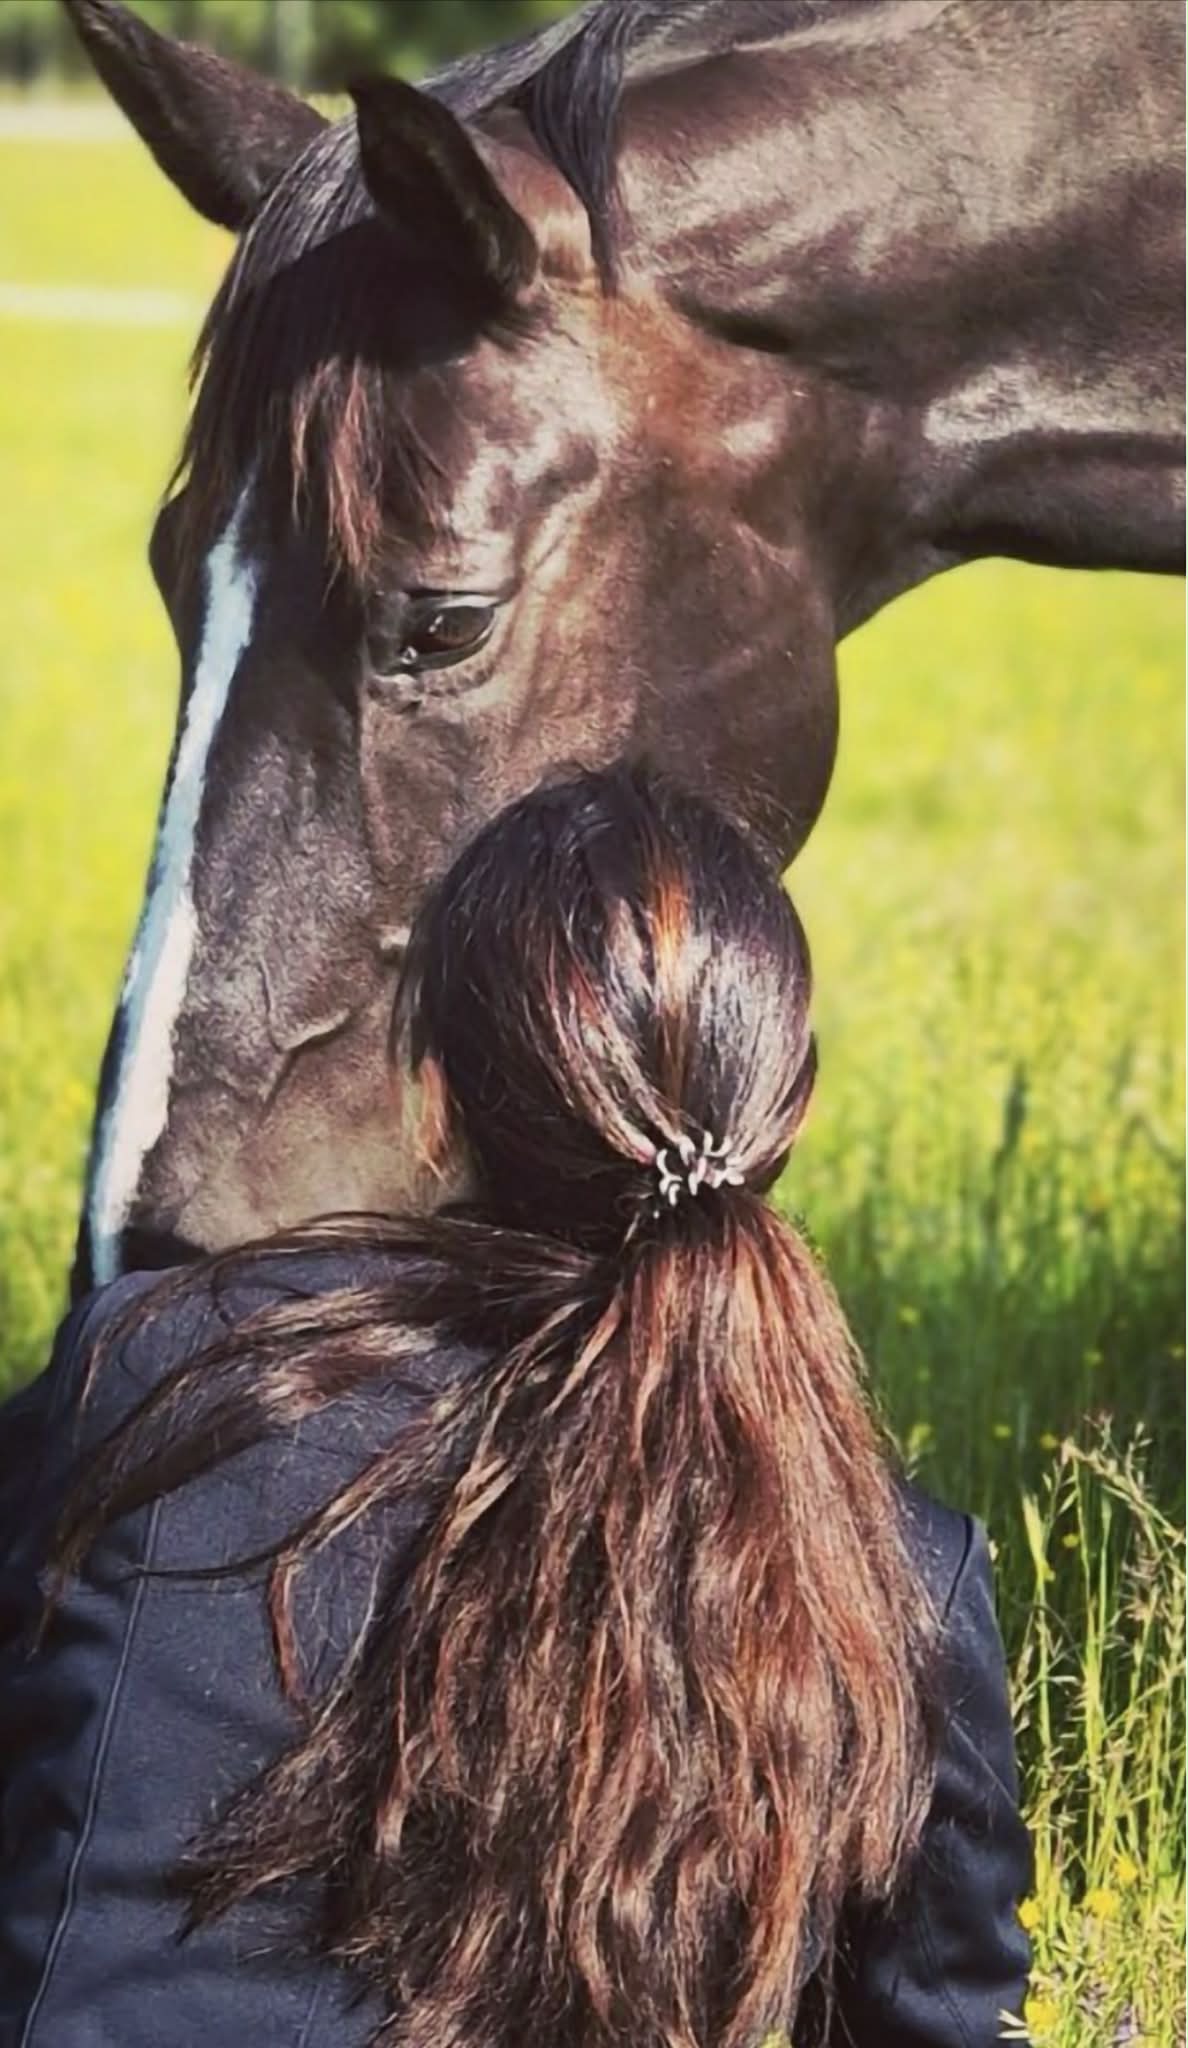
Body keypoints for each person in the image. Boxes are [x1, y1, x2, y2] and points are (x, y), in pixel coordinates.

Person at [0, 765, 1032, 2047]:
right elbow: (942, 2019)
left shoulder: (158, 1369)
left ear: (434, 1102)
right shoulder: (894, 1578)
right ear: (787, 1111)